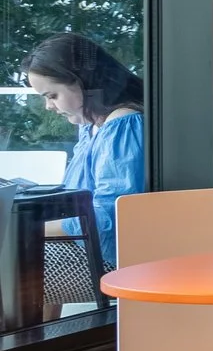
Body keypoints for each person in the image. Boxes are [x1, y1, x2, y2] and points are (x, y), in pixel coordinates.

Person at [22, 33, 143, 266]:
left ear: (83, 82)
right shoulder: (92, 128)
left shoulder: (122, 126)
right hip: (86, 244)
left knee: (19, 259)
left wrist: (32, 227)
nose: (48, 106)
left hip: (107, 256)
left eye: (52, 96)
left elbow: (110, 219)